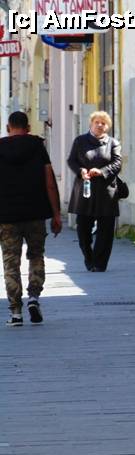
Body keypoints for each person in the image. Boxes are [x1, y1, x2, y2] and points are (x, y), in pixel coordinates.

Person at [0, 111, 62, 327]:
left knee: (10, 262)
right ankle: (34, 297)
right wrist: (56, 214)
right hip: (35, 214)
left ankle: (16, 312)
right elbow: (50, 183)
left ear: (8, 127)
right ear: (27, 128)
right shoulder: (37, 146)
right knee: (36, 256)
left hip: (6, 216)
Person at [67, 111, 122, 272]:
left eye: (103, 123)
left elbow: (117, 163)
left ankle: (99, 264)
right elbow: (72, 160)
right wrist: (81, 171)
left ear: (107, 127)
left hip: (106, 193)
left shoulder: (113, 143)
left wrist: (102, 171)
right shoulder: (80, 141)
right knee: (83, 229)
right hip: (85, 191)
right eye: (97, 122)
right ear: (91, 124)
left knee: (105, 231)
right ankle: (89, 258)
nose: (100, 125)